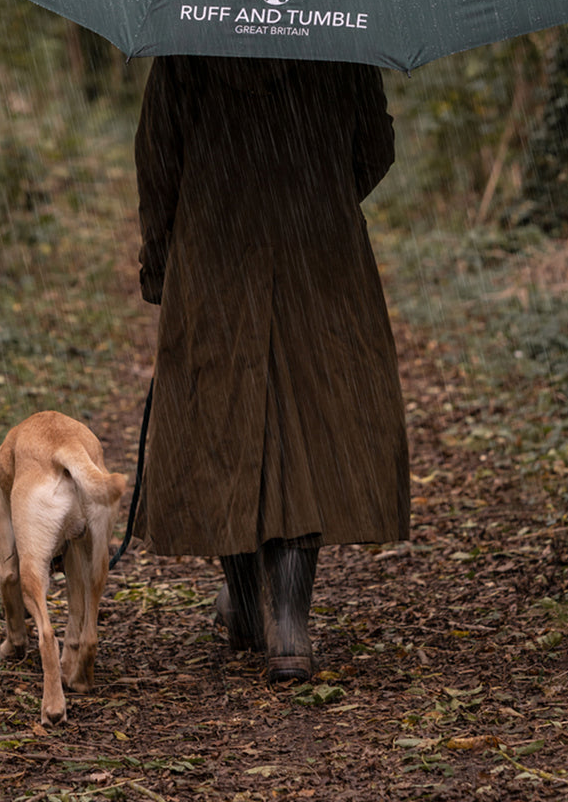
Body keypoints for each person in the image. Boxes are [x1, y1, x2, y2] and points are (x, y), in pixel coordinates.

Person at [133, 55, 409, 683]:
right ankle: (289, 625)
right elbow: (374, 146)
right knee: (306, 420)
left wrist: (161, 256)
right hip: (320, 255)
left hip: (215, 249)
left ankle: (248, 611)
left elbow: (158, 159)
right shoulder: (337, 28)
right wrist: (317, 195)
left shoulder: (189, 38)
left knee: (225, 412)